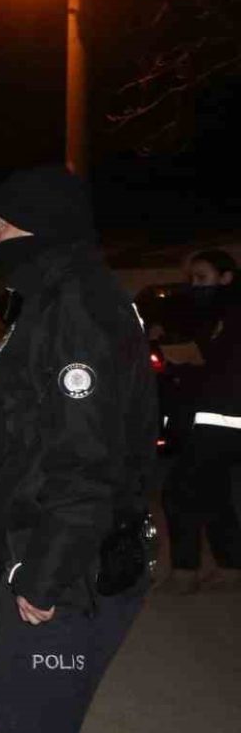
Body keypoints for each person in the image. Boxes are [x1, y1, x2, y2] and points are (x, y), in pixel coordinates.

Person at [0, 166, 183, 733]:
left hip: (70, 568)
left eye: (2, 225)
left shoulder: (78, 308)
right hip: (48, 549)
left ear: (42, 229)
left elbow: (86, 458)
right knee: (20, 723)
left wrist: (47, 574)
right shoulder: (52, 297)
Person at [159, 249, 241, 593]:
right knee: (214, 492)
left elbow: (214, 359)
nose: (195, 284)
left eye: (202, 277)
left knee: (179, 492)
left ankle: (185, 571)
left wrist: (188, 357)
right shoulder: (207, 312)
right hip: (207, 416)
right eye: (192, 278)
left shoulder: (231, 314)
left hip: (220, 419)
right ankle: (231, 565)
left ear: (226, 278)